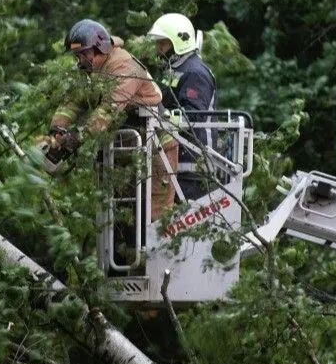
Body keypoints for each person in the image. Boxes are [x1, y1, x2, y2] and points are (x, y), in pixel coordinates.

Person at [46, 19, 178, 221]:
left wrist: (77, 137)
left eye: (83, 54)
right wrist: (58, 130)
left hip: (156, 149)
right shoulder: (90, 71)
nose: (80, 60)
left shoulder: (124, 66)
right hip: (127, 150)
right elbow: (72, 101)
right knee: (123, 219)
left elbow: (109, 109)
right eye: (77, 55)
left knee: (155, 218)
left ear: (100, 48)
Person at [147, 13, 217, 201]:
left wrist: (161, 118)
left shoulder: (195, 73)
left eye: (163, 43)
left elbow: (194, 115)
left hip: (193, 167)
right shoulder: (174, 70)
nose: (158, 49)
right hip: (176, 161)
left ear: (180, 42)